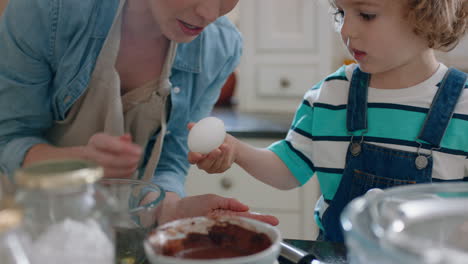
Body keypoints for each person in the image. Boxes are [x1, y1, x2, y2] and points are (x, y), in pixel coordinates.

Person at [189, 0, 468, 242]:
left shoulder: (463, 104)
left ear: (426, 14)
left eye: (367, 15)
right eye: (341, 13)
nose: (346, 30)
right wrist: (236, 150)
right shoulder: (330, 96)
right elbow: (288, 170)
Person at [0, 0, 278, 226]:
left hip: (122, 231)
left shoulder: (221, 49)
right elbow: (8, 139)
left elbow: (170, 160)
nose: (209, 13)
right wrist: (79, 161)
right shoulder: (49, 9)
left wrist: (173, 210)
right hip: (25, 225)